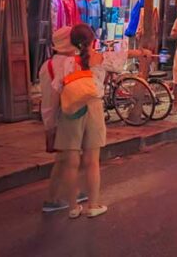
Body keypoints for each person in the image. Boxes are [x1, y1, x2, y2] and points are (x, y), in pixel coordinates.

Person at [52, 23, 147, 218]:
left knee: (71, 163)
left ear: (72, 42)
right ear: (93, 40)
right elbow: (125, 55)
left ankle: (72, 208)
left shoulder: (66, 63)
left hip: (71, 110)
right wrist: (141, 52)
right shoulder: (101, 59)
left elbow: (57, 88)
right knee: (92, 161)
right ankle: (93, 205)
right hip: (93, 107)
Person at [38, 26, 86, 213]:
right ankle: (55, 197)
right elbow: (50, 101)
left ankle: (69, 191)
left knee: (67, 157)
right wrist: (50, 127)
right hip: (66, 118)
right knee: (66, 158)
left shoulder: (52, 65)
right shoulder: (63, 65)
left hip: (67, 117)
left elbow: (48, 102)